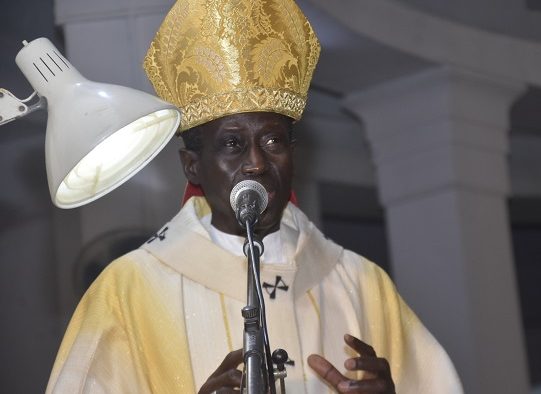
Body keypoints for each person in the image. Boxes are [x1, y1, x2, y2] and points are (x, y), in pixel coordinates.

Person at [46, 0, 463, 393]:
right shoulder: (130, 290)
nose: (257, 164)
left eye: (273, 140)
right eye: (231, 144)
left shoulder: (359, 283)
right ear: (192, 165)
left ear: (293, 155)